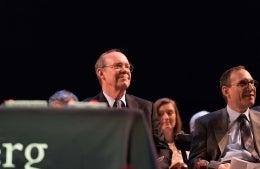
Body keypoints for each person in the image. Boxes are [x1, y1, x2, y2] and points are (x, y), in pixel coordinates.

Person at [83, 48, 172, 169]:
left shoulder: (147, 108)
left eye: (128, 66)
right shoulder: (86, 109)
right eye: (118, 66)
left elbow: (162, 149)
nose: (125, 70)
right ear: (101, 73)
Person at [188, 65, 260, 169]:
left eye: (252, 83)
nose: (251, 88)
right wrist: (218, 166)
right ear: (226, 91)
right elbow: (195, 161)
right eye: (243, 83)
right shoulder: (206, 123)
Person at [154, 97, 188, 169]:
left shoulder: (185, 141)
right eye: (160, 114)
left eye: (170, 113)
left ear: (176, 115)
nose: (166, 117)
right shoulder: (150, 146)